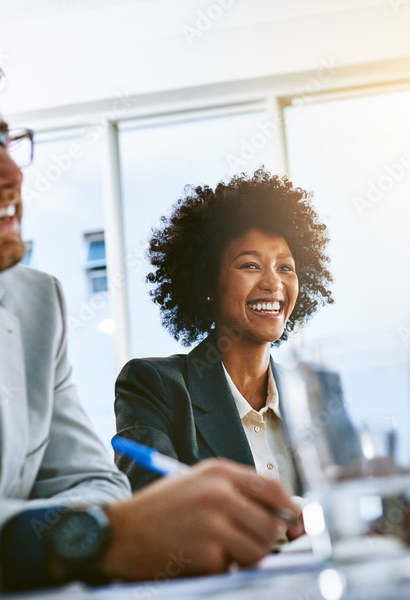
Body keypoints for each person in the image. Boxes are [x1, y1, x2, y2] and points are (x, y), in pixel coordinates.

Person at [0, 23, 298, 600]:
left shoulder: (35, 306)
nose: (9, 174)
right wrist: (72, 535)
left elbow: (94, 485)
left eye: (3, 141)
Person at [114, 170, 335, 495]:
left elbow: (361, 484)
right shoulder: (155, 386)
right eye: (250, 265)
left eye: (285, 267)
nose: (273, 283)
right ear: (207, 282)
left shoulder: (318, 391)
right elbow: (155, 505)